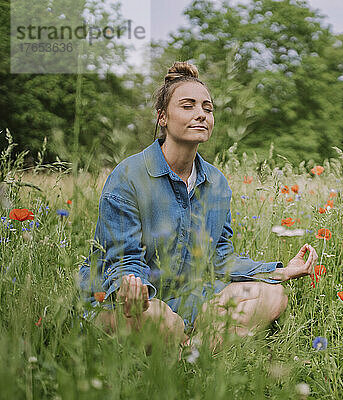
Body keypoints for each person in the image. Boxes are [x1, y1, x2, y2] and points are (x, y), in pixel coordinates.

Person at [78, 61, 318, 346]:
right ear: (162, 117)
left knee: (273, 295)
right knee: (158, 319)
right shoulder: (129, 176)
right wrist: (131, 285)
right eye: (188, 106)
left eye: (207, 108)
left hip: (190, 297)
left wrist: (278, 271)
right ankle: (194, 346)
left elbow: (221, 260)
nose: (201, 115)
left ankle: (194, 350)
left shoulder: (216, 183)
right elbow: (122, 260)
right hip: (133, 301)